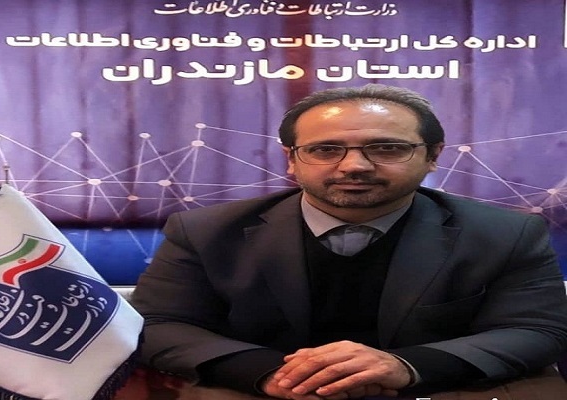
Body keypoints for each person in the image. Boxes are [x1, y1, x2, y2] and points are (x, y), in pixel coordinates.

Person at [130, 84, 567, 399]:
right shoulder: (204, 230)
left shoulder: (506, 233)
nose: (354, 166)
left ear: (433, 155)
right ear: (292, 159)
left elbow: (536, 330)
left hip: (433, 388)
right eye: (325, 149)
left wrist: (407, 365)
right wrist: (271, 374)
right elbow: (158, 325)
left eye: (387, 148)